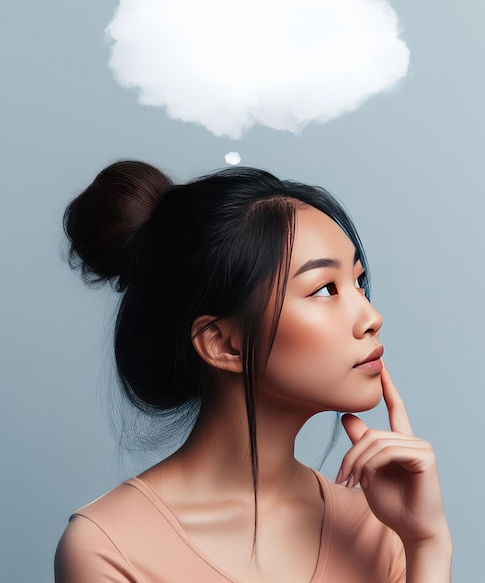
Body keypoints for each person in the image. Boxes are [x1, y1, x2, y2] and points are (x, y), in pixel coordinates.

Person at [55, 161, 452, 583]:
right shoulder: (112, 548)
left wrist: (427, 543)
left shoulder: (380, 526)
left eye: (359, 281)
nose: (371, 317)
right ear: (222, 343)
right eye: (323, 289)